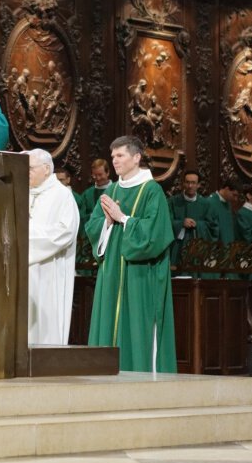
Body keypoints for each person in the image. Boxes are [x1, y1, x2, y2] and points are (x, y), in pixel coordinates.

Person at [85, 135, 176, 373]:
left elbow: (155, 234)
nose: (114, 161)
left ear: (136, 158)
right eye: (112, 156)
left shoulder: (152, 190)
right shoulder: (113, 189)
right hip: (112, 271)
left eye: (120, 155)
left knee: (137, 326)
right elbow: (93, 227)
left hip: (140, 275)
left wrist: (123, 218)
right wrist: (106, 222)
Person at [25, 149, 80, 345]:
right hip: (24, 271)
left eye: (30, 168)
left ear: (46, 169)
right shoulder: (22, 192)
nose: (25, 172)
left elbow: (65, 233)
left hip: (49, 269)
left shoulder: (62, 196)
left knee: (46, 322)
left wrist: (27, 240)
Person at [167, 169, 217, 269]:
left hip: (199, 249)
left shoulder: (206, 204)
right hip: (177, 249)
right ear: (183, 183)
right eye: (187, 182)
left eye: (193, 183)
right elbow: (165, 223)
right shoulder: (173, 202)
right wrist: (181, 223)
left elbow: (213, 227)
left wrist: (198, 225)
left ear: (198, 185)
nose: (190, 186)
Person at [76, 158, 113, 236]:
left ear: (108, 172)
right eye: (95, 175)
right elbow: (81, 215)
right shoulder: (87, 193)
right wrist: (92, 216)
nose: (98, 178)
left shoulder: (116, 189)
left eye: (100, 174)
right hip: (91, 235)